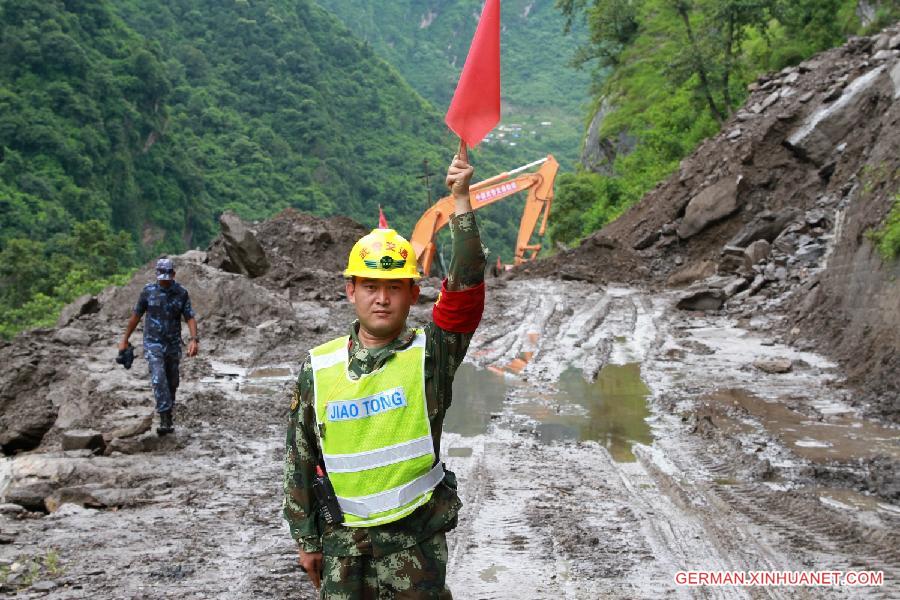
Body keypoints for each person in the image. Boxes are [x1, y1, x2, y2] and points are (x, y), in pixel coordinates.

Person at [283, 154, 486, 598]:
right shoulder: (319, 367)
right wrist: (306, 539)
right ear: (350, 290)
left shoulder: (431, 356)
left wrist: (460, 201)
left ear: (413, 293)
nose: (381, 299)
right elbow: (299, 456)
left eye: (394, 287)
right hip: (343, 549)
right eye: (371, 286)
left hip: (414, 547)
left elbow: (467, 286)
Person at [119, 257, 199, 435]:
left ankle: (168, 412)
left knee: (172, 381)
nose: (164, 280)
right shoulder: (148, 292)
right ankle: (164, 417)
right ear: (157, 275)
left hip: (172, 344)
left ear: (173, 275)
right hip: (153, 343)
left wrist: (194, 339)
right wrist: (125, 339)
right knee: (158, 377)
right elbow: (136, 315)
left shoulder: (181, 293)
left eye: (167, 277)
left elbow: (190, 316)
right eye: (161, 277)